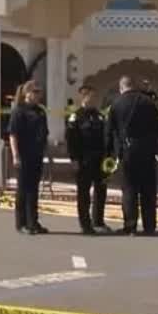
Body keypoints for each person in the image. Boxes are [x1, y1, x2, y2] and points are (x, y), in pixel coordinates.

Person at [105, 76, 158, 236]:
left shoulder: (116, 104)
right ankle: (149, 226)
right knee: (148, 189)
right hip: (147, 150)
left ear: (121, 87)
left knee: (129, 189)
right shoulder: (148, 102)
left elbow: (110, 131)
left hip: (127, 152)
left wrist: (109, 153)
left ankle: (130, 225)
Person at [66, 84, 112, 235]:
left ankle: (98, 221)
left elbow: (106, 136)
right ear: (84, 97)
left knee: (101, 190)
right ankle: (85, 224)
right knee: (84, 193)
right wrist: (73, 159)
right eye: (91, 96)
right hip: (84, 159)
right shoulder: (76, 116)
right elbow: (71, 140)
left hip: (100, 159)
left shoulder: (99, 115)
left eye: (95, 96)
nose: (94, 99)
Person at [8, 81, 49, 235]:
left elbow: (44, 133)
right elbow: (13, 135)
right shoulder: (19, 111)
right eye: (36, 92)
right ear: (28, 93)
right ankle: (22, 223)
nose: (39, 95)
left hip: (36, 155)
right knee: (23, 190)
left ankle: (33, 222)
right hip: (23, 155)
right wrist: (15, 155)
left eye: (40, 92)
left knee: (33, 190)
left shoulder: (40, 111)